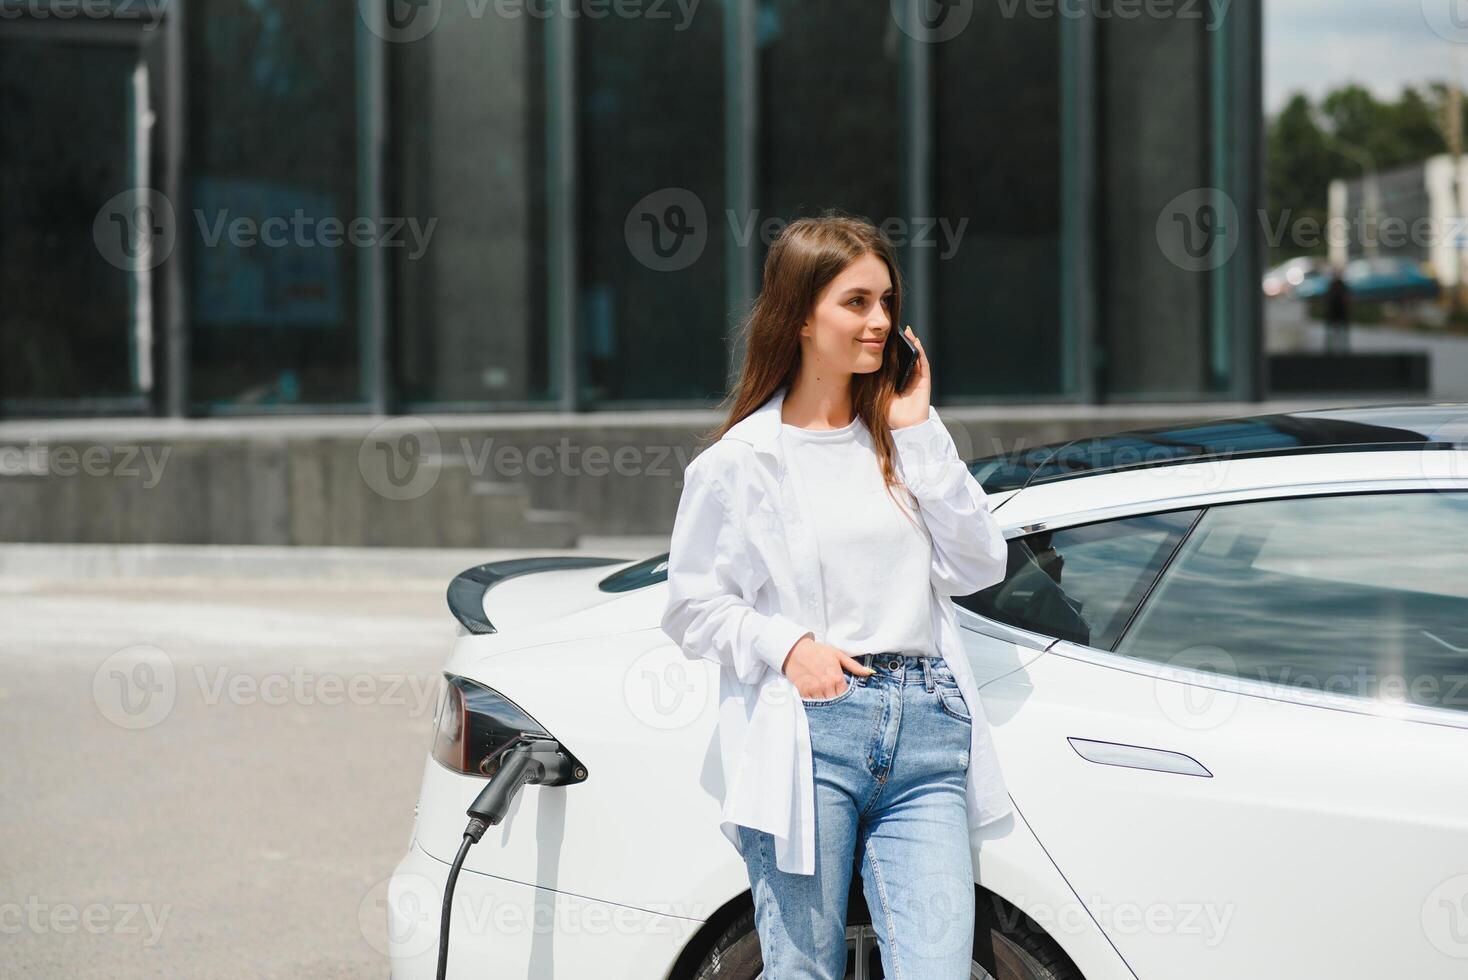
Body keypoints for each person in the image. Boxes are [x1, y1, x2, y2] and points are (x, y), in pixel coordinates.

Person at [660, 212, 1012, 979]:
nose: (881, 320)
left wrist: (918, 431)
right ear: (800, 316)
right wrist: (786, 647)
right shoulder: (741, 461)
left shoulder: (900, 437)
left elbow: (981, 561)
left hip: (927, 729)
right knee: (804, 971)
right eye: (857, 302)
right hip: (811, 735)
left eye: (887, 301)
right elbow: (690, 607)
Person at [1324, 264, 1351, 354]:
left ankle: (1342, 349)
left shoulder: (1341, 286)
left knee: (1341, 333)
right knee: (1333, 332)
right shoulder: (1333, 285)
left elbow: (1346, 298)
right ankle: (1331, 349)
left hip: (1340, 312)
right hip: (1334, 311)